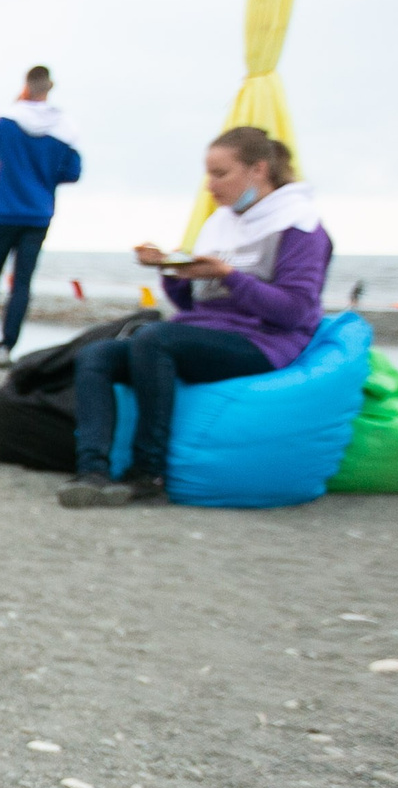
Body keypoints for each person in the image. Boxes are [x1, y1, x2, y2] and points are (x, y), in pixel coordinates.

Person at [60, 127, 330, 509]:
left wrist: (228, 276)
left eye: (220, 174)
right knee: (96, 354)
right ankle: (92, 472)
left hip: (264, 342)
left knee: (154, 338)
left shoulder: (300, 226)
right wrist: (171, 270)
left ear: (258, 169)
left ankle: (148, 473)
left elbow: (294, 310)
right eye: (208, 174)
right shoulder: (220, 222)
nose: (210, 186)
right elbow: (192, 306)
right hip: (206, 334)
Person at [0, 66, 83, 367]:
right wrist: (45, 175)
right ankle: (5, 348)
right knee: (21, 284)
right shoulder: (64, 127)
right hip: (38, 213)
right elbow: (73, 172)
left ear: (26, 86)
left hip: (4, 211)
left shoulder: (9, 119)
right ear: (50, 87)